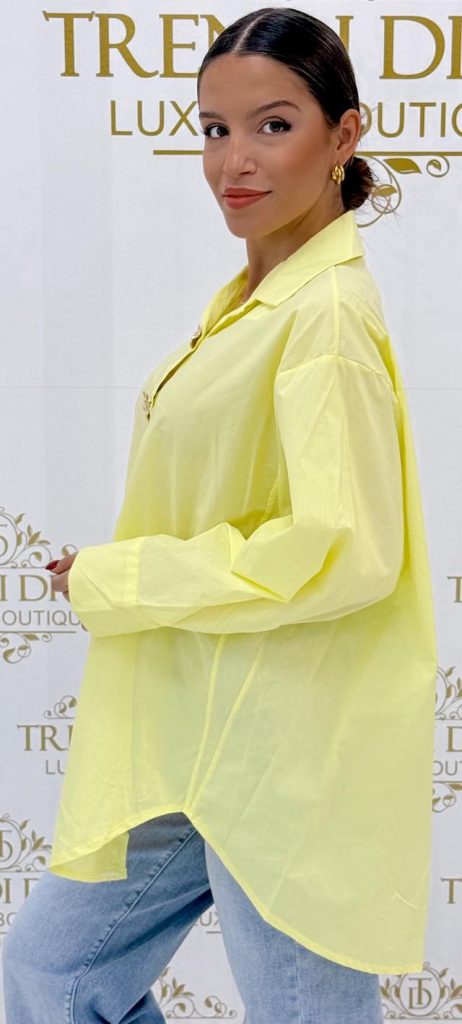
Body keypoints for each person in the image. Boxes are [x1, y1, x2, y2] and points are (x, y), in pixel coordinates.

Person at [2, 7, 437, 1024]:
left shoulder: (324, 319)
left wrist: (126, 577)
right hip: (195, 732)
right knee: (53, 971)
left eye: (273, 125)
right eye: (214, 128)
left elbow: (340, 550)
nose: (233, 161)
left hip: (282, 753)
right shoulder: (254, 297)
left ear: (344, 135)